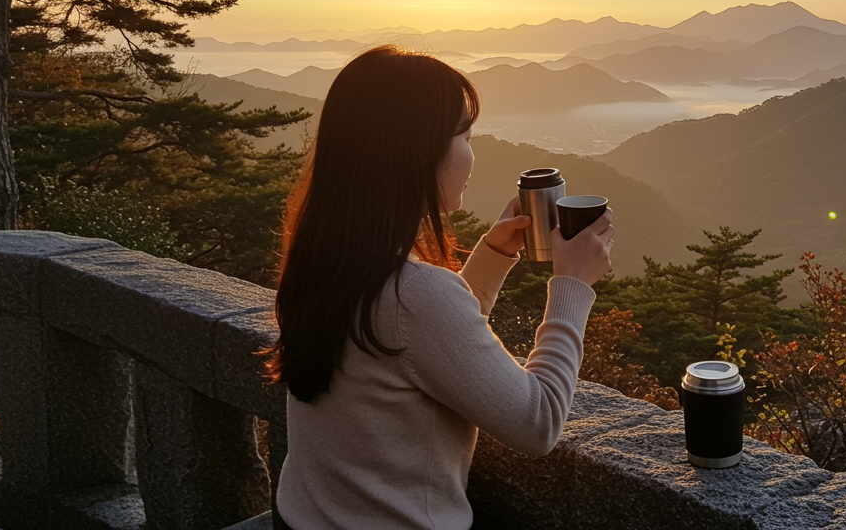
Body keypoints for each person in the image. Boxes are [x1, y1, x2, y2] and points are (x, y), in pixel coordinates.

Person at [263, 45, 614, 530]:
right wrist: (571, 286)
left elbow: (418, 342)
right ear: (416, 154)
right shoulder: (414, 293)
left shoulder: (327, 260)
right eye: (465, 136)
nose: (473, 152)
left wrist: (491, 257)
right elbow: (539, 422)